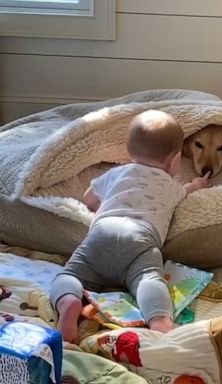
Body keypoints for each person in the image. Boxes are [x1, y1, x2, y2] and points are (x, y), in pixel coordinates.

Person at [50, 110, 210, 343]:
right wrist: (196, 184)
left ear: (129, 151)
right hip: (141, 239)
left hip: (103, 233)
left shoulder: (115, 174)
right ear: (174, 160)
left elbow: (89, 200)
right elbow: (187, 192)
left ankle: (68, 302)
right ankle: (160, 322)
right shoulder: (171, 184)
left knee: (69, 274)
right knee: (149, 279)